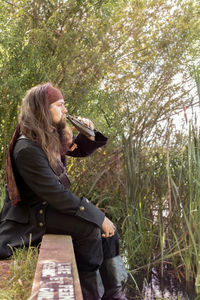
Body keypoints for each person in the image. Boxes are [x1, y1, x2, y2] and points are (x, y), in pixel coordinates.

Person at [0, 83, 128, 300]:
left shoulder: (45, 137)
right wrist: (96, 217)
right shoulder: (27, 148)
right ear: (42, 108)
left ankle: (115, 291)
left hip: (47, 206)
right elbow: (57, 195)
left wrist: (87, 134)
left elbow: (75, 151)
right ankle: (91, 294)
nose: (65, 110)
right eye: (60, 105)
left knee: (108, 227)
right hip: (31, 215)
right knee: (90, 227)